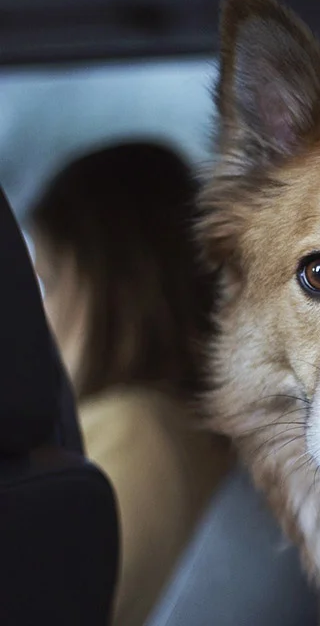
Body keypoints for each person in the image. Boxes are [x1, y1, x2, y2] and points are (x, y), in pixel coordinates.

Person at [28, 141, 232, 626]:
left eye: (48, 283)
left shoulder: (131, 430)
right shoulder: (179, 428)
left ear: (113, 289)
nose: (36, 315)